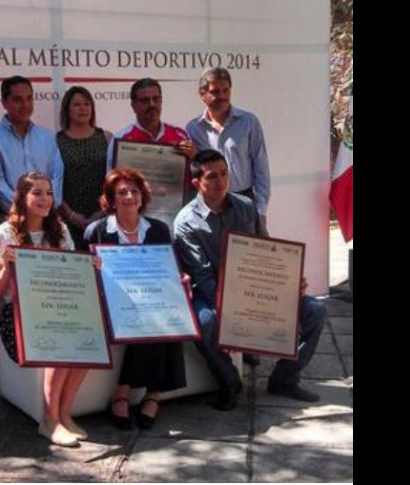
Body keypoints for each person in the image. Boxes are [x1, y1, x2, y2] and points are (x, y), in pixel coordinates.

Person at [173, 149, 326, 411]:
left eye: (224, 174)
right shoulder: (185, 222)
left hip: (255, 285)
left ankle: (285, 378)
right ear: (196, 182)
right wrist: (234, 313)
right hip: (212, 292)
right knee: (204, 322)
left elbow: (267, 249)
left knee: (316, 310)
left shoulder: (246, 206)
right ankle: (229, 383)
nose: (221, 181)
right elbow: (203, 276)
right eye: (212, 176)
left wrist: (289, 280)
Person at [0, 171, 93, 447]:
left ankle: (64, 413)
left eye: (49, 193)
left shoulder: (61, 230)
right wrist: (7, 266)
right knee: (59, 341)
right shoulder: (3, 233)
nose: (45, 199)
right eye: (37, 193)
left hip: (56, 307)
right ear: (22, 197)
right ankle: (49, 421)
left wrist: (89, 267)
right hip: (18, 315)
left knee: (90, 340)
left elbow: (70, 276)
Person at [83, 169, 187, 429]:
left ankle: (143, 393)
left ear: (142, 197)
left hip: (149, 299)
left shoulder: (159, 229)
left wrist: (179, 278)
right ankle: (139, 393)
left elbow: (168, 270)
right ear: (111, 199)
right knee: (147, 314)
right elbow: (83, 274)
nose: (129, 196)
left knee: (165, 313)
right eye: (122, 192)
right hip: (110, 303)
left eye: (134, 191)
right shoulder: (96, 231)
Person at [185, 67, 270, 230]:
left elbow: (261, 168)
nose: (222, 96)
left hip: (244, 202)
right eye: (215, 91)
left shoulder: (248, 122)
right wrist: (195, 155)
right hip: (211, 205)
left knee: (249, 248)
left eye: (226, 90)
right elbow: (197, 170)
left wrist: (260, 210)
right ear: (202, 94)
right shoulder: (193, 128)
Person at [0, 76, 65, 224]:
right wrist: (29, 210)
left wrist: (44, 209)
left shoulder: (47, 137)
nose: (25, 105)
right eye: (18, 99)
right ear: (4, 102)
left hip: (46, 221)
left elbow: (56, 177)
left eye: (29, 98)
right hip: (10, 221)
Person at [56, 86, 110, 249]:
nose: (83, 108)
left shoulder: (106, 137)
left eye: (87, 104)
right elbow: (54, 183)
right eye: (77, 104)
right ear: (67, 109)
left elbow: (115, 179)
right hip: (68, 220)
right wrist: (71, 215)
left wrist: (101, 213)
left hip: (103, 217)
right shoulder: (56, 141)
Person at [106, 78, 195, 169]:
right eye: (145, 100)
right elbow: (112, 176)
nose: (152, 104)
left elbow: (196, 172)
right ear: (133, 106)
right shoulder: (121, 139)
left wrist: (194, 158)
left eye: (156, 99)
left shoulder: (180, 135)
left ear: (161, 101)